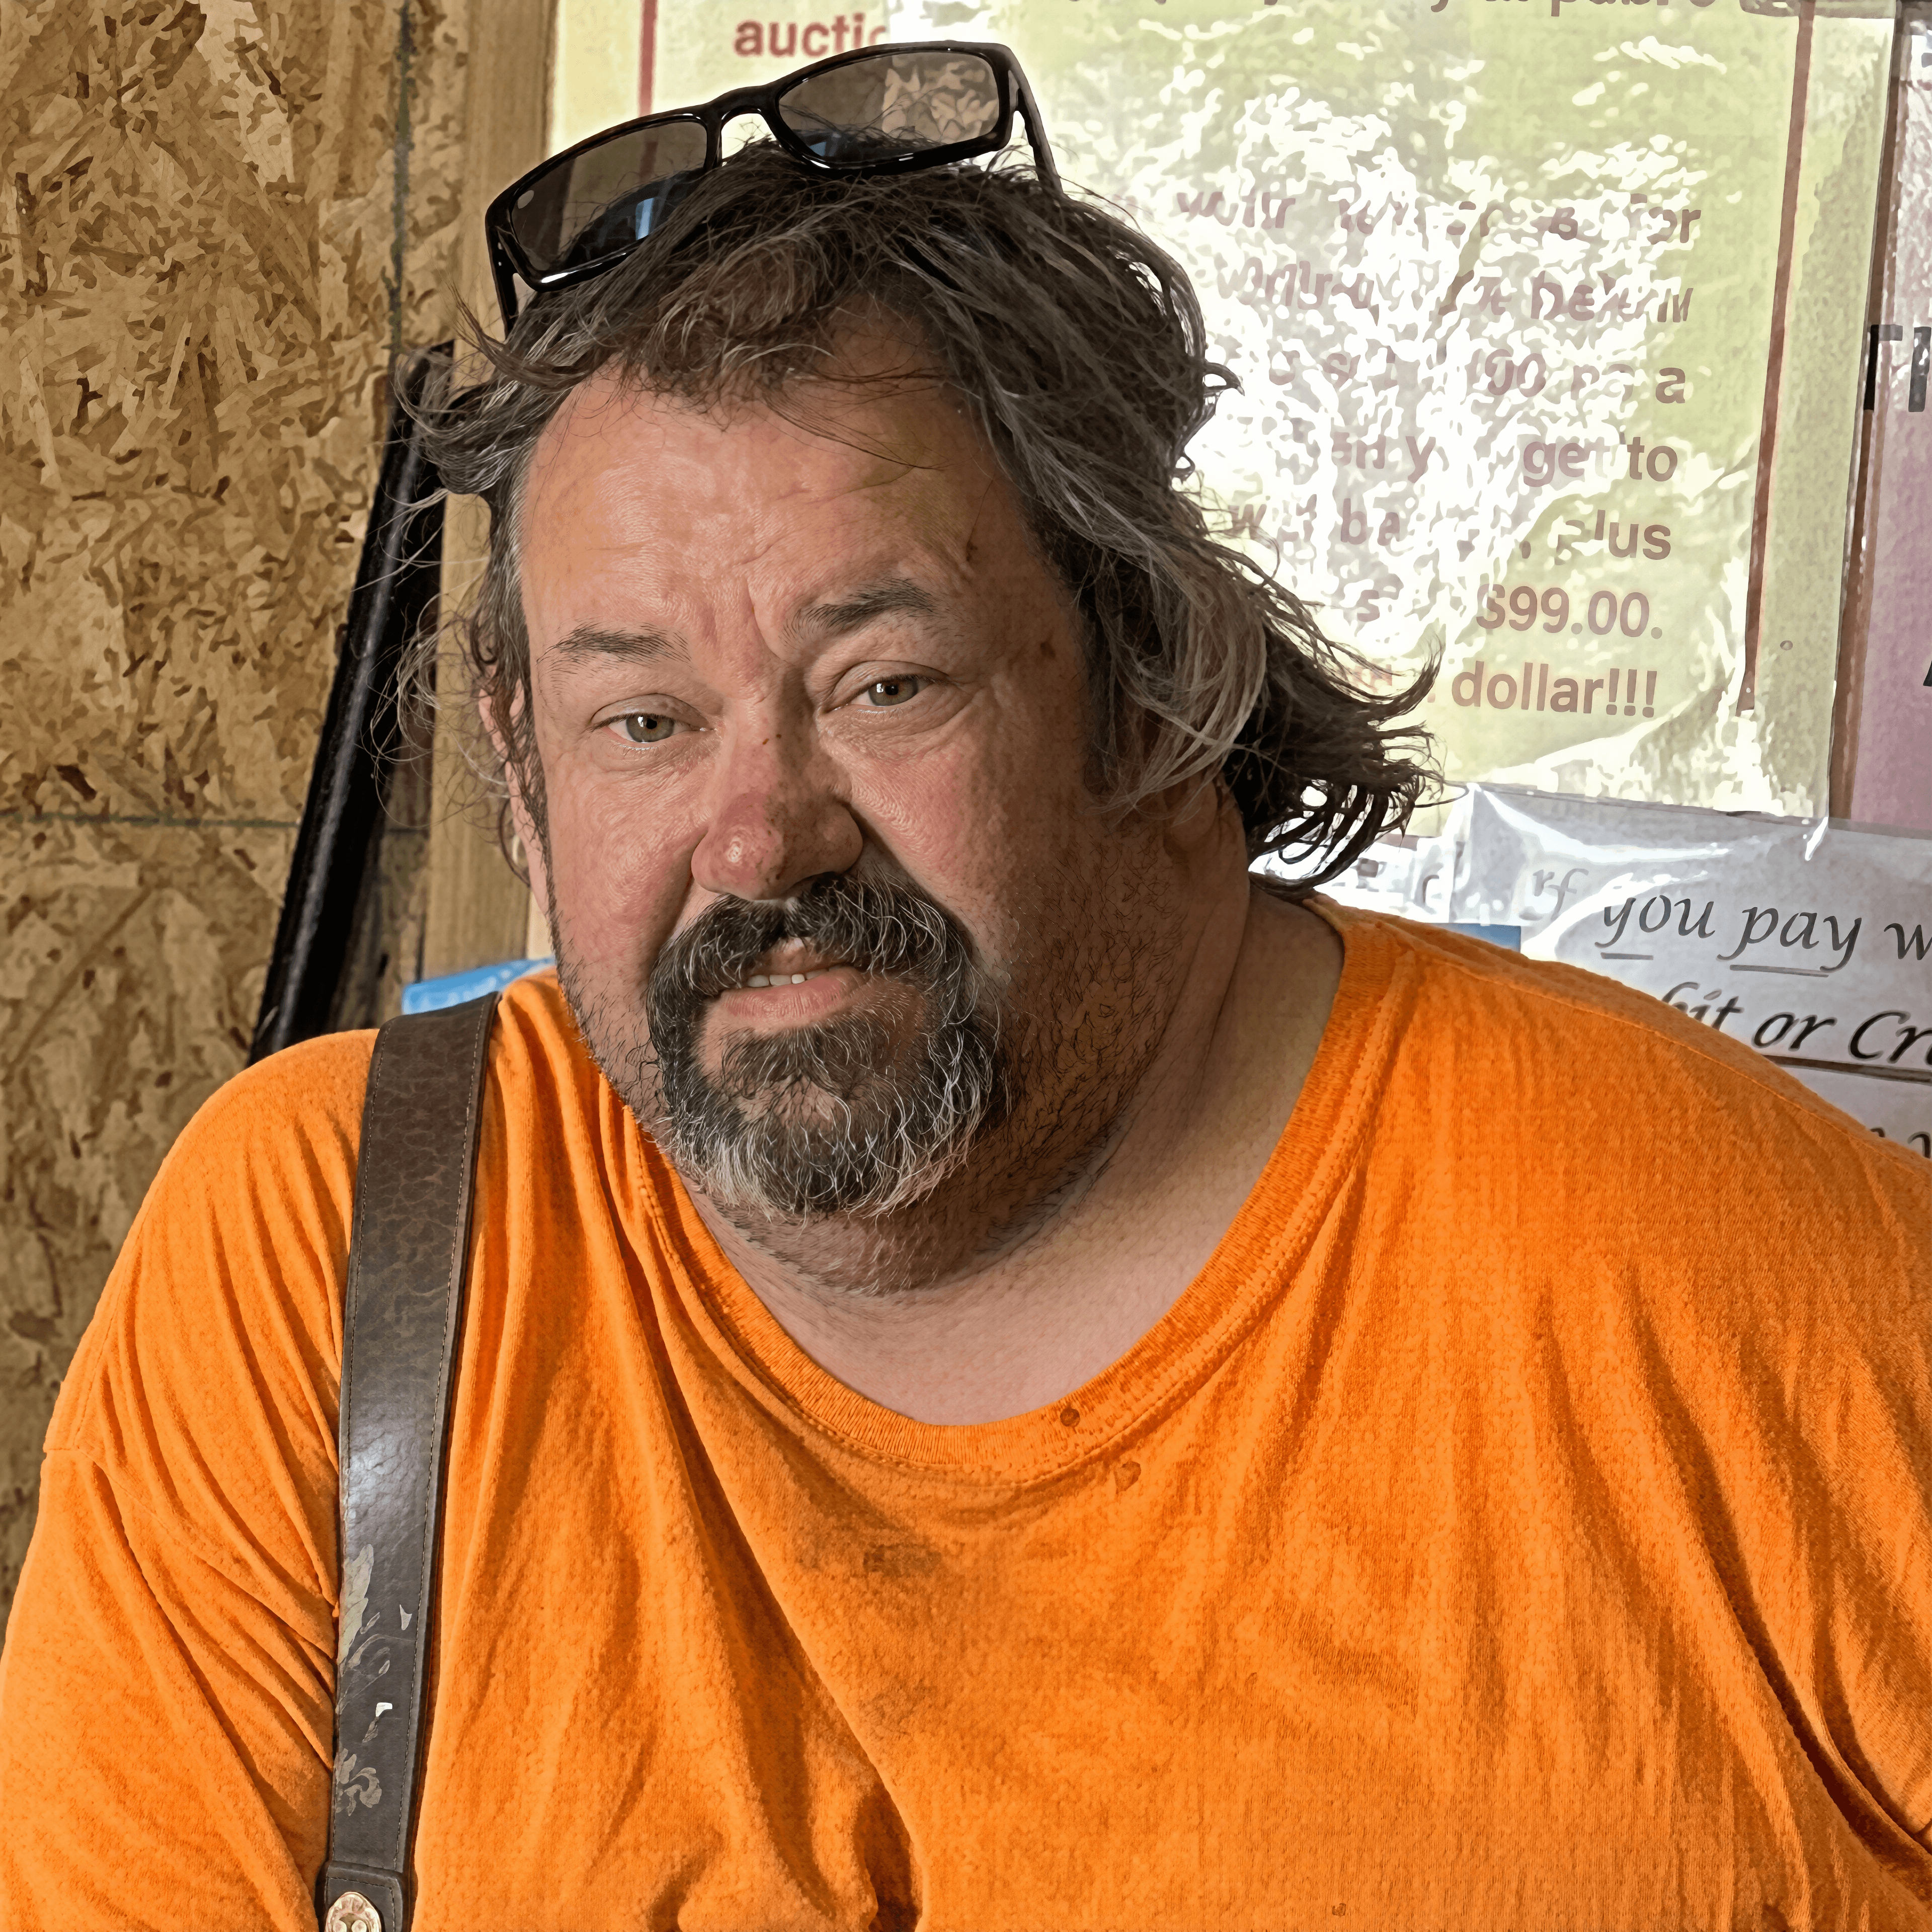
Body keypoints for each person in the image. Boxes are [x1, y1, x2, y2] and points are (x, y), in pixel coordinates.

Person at [3, 47, 1929, 1932]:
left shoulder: (1745, 1281)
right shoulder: (337, 1256)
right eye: (643, 719)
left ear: (1153, 677)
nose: (760, 841)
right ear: (518, 766)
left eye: (884, 682)